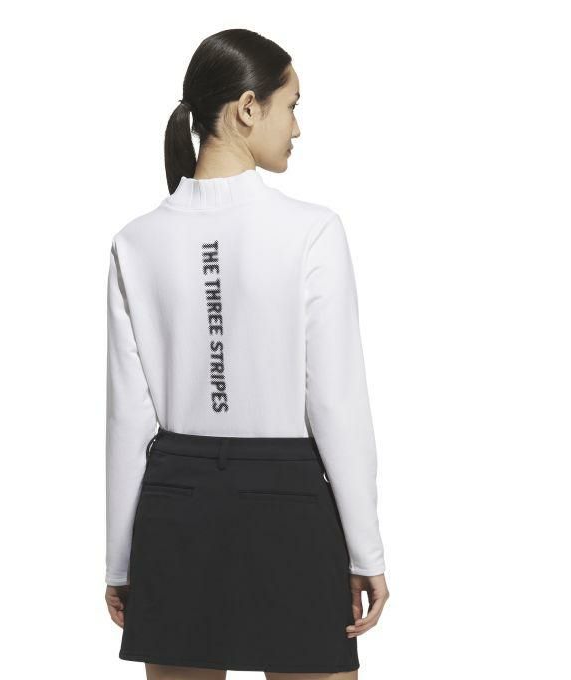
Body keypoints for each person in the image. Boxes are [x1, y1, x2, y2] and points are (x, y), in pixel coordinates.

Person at [104, 28, 390, 679]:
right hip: (289, 504)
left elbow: (129, 421)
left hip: (175, 506)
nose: (298, 127)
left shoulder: (135, 242)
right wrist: (365, 550)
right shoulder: (312, 231)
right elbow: (336, 403)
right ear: (247, 108)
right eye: (292, 106)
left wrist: (121, 560)